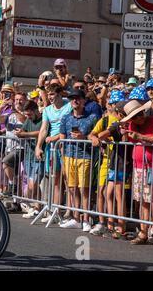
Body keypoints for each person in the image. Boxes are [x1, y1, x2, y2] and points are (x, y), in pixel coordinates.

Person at [120, 100, 153, 246]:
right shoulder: (131, 125)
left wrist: (141, 137)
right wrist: (123, 133)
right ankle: (143, 233)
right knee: (142, 201)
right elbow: (126, 141)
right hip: (138, 167)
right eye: (135, 116)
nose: (139, 117)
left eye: (140, 113)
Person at [59, 89, 98, 231]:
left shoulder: (92, 117)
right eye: (72, 98)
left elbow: (95, 136)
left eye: (78, 98)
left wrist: (84, 137)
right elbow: (61, 140)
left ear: (83, 101)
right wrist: (62, 160)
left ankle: (86, 219)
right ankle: (76, 218)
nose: (75, 100)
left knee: (84, 190)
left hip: (85, 156)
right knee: (72, 188)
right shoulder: (66, 118)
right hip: (69, 156)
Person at [88, 90, 125, 236]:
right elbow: (92, 134)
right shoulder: (104, 120)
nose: (113, 107)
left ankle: (120, 224)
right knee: (103, 192)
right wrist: (94, 139)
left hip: (121, 160)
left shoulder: (121, 121)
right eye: (112, 104)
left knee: (118, 194)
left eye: (116, 104)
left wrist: (104, 138)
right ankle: (105, 222)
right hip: (107, 161)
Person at [35, 84, 72, 223]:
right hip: (52, 147)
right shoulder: (47, 110)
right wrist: (38, 146)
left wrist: (56, 138)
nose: (50, 97)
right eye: (48, 95)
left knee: (68, 179)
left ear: (59, 94)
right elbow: (44, 129)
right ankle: (56, 210)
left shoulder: (68, 106)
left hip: (65, 145)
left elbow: (69, 126)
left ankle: (69, 210)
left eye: (52, 94)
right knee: (55, 180)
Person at [13, 100, 44, 219]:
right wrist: (19, 132)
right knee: (33, 185)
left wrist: (24, 135)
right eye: (26, 115)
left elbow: (40, 132)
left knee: (32, 185)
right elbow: (24, 131)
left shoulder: (43, 119)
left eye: (29, 114)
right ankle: (37, 208)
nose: (28, 117)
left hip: (38, 157)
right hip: (28, 156)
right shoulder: (28, 119)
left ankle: (36, 207)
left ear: (36, 110)